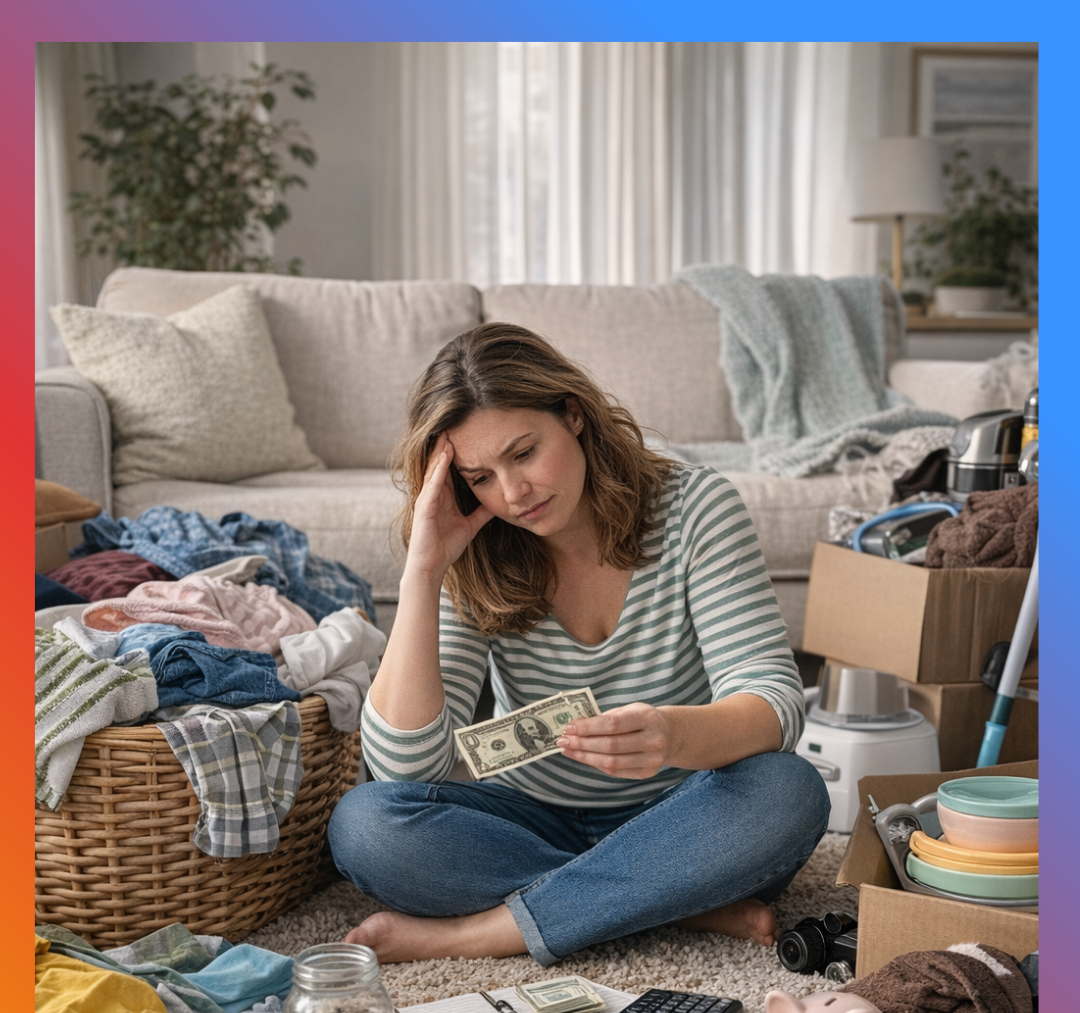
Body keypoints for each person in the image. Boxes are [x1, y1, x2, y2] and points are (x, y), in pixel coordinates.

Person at [328, 323, 830, 965]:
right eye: (480, 476)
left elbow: (775, 704)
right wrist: (423, 571)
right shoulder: (475, 546)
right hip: (532, 817)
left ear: (574, 416)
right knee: (365, 825)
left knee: (787, 791)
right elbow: (407, 767)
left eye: (525, 453)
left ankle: (480, 934)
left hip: (685, 814)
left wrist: (672, 737)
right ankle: (676, 898)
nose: (512, 495)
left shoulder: (696, 509)